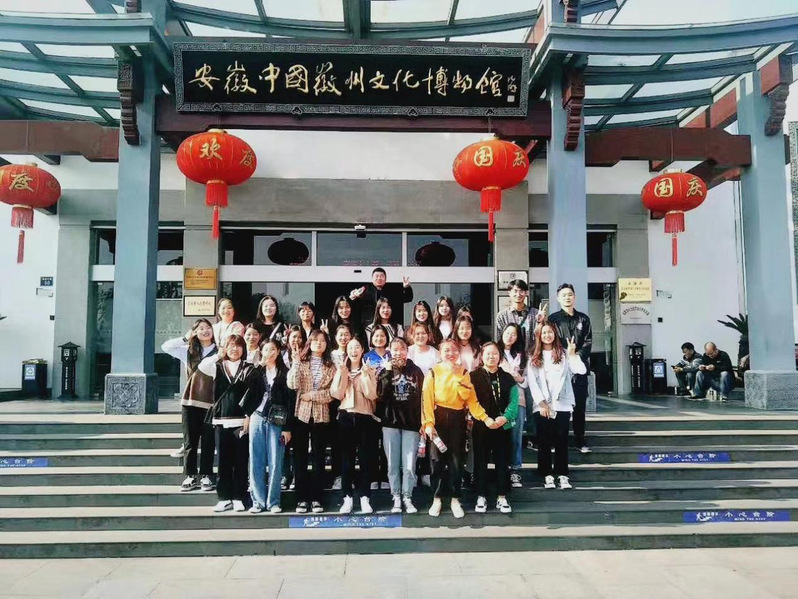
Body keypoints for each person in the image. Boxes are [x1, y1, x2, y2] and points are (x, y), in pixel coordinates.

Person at [422, 339, 499, 518]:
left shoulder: (464, 373)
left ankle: (455, 498)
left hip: (457, 419)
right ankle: (437, 498)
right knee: (436, 461)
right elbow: (426, 400)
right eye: (447, 351)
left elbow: (471, 400)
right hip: (438, 418)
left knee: (456, 461)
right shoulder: (433, 372)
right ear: (440, 353)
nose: (451, 354)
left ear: (459, 352)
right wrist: (428, 424)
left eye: (454, 350)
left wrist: (485, 418)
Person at [198, 335, 258, 513]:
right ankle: (224, 498)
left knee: (241, 461)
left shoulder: (249, 368)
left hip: (241, 422)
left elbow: (255, 394)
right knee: (223, 461)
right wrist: (218, 354)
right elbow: (202, 367)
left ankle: (239, 497)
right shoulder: (217, 366)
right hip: (221, 420)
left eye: (238, 346)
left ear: (243, 348)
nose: (235, 349)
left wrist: (248, 416)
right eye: (231, 346)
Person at [527, 323, 586, 490]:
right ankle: (546, 474)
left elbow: (581, 370)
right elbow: (532, 382)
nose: (547, 335)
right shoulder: (534, 356)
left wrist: (573, 354)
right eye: (544, 333)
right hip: (542, 405)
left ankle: (562, 474)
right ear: (539, 336)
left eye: (550, 332)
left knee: (562, 441)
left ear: (555, 334)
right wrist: (542, 403)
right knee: (544, 441)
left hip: (562, 404)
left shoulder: (564, 354)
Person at [162, 319, 218, 492]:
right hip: (190, 401)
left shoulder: (219, 350)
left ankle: (206, 475)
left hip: (211, 402)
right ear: (194, 332)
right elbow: (166, 347)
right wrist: (185, 338)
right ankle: (190, 475)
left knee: (208, 441)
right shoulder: (188, 350)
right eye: (201, 328)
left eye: (208, 327)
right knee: (190, 441)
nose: (205, 331)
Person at [287, 329, 335, 514]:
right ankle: (301, 499)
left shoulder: (331, 365)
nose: (319, 343)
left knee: (319, 458)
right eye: (315, 340)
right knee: (299, 458)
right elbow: (293, 385)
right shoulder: (301, 361)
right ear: (309, 342)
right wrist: (295, 363)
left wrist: (313, 395)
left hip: (321, 415)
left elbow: (332, 393)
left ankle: (316, 498)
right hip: (301, 414)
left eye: (322, 340)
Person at [331, 337, 379, 514]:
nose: (353, 351)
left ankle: (365, 497)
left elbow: (372, 394)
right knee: (347, 460)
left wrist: (366, 374)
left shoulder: (370, 369)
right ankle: (347, 497)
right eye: (350, 348)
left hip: (365, 417)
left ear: (362, 350)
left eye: (357, 347)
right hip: (345, 416)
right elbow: (336, 394)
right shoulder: (341, 368)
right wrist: (342, 373)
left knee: (365, 459)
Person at [246, 339, 295, 514]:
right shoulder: (256, 371)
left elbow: (290, 401)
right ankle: (258, 501)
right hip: (257, 417)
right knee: (256, 460)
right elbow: (247, 385)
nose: (270, 353)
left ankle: (273, 501)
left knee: (275, 461)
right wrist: (260, 365)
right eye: (266, 349)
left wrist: (288, 427)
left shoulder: (285, 372)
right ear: (261, 352)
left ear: (278, 351)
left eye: (273, 349)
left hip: (277, 421)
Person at [470, 342, 519, 514]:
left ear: (500, 357)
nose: (491, 357)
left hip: (502, 426)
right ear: (482, 356)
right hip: (481, 425)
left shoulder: (507, 378)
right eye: (488, 354)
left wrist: (505, 417)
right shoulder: (473, 376)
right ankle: (481, 496)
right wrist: (485, 419)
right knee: (480, 461)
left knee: (502, 461)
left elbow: (514, 401)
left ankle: (502, 496)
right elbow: (471, 401)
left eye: (495, 354)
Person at [378, 337, 425, 514]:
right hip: (390, 423)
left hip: (411, 424)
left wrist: (423, 421)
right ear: (390, 351)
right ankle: (396, 495)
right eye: (395, 349)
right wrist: (388, 372)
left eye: (402, 349)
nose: (398, 352)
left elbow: (422, 397)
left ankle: (407, 496)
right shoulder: (385, 370)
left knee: (409, 464)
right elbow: (381, 396)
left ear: (407, 351)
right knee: (392, 464)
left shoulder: (416, 371)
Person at [548, 283, 593, 453]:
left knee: (579, 406)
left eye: (570, 294)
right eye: (564, 295)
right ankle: (556, 440)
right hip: (559, 368)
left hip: (578, 367)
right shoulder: (553, 319)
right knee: (558, 405)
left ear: (574, 297)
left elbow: (588, 342)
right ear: (558, 298)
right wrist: (564, 355)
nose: (567, 297)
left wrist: (575, 355)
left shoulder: (583, 319)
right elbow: (550, 340)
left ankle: (580, 440)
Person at [498, 323, 529, 489]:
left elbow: (527, 381)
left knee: (516, 436)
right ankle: (502, 468)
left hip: (519, 400)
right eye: (507, 332)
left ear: (517, 337)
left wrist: (520, 378)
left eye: (513, 334)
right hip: (499, 400)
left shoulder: (522, 356)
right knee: (501, 436)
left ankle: (515, 469)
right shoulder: (494, 351)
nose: (509, 336)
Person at [280, 325, 306, 491]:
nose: (296, 340)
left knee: (299, 443)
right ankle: (285, 474)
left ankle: (297, 475)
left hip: (301, 402)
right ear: (288, 339)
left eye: (299, 337)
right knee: (283, 441)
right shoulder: (281, 355)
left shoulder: (307, 356)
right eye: (293, 337)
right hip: (283, 402)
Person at [349, 267, 414, 328]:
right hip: (369, 325)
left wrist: (407, 288)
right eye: (376, 276)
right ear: (372, 278)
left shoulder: (392, 291)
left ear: (385, 279)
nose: (379, 278)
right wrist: (353, 296)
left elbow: (408, 298)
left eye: (381, 276)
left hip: (388, 324)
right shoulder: (365, 290)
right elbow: (353, 306)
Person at [495, 279, 542, 351]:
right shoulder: (502, 316)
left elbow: (541, 335)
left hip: (531, 355)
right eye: (515, 291)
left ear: (526, 293)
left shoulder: (536, 313)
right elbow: (499, 339)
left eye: (521, 291)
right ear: (509, 293)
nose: (518, 294)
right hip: (511, 355)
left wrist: (541, 321)